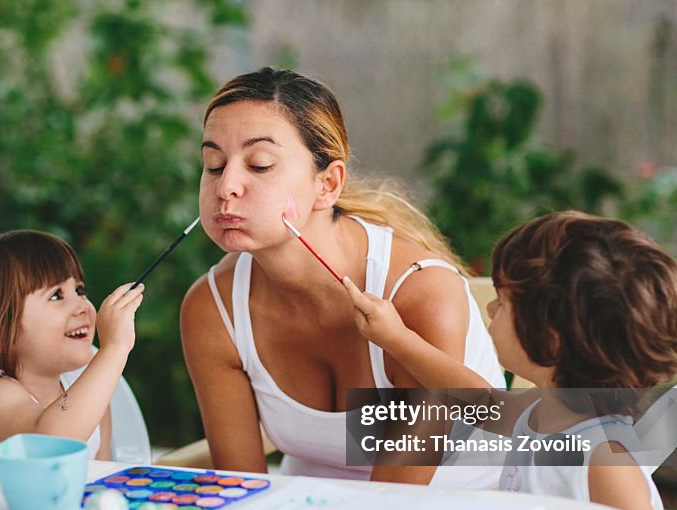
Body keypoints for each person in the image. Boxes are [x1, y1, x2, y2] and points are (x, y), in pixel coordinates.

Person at [344, 211, 677, 510]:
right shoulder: (547, 412)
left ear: (550, 340)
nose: (491, 308)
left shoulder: (603, 457)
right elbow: (478, 402)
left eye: (503, 301)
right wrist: (396, 339)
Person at [180, 67, 504, 486]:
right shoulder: (213, 308)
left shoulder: (419, 294)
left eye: (259, 165)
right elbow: (239, 488)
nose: (227, 186)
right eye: (214, 164)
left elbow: (394, 501)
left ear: (327, 185)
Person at [0, 230, 144, 460]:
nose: (83, 306)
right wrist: (113, 350)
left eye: (79, 290)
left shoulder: (85, 390)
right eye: (56, 296)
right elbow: (47, 444)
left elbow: (99, 475)